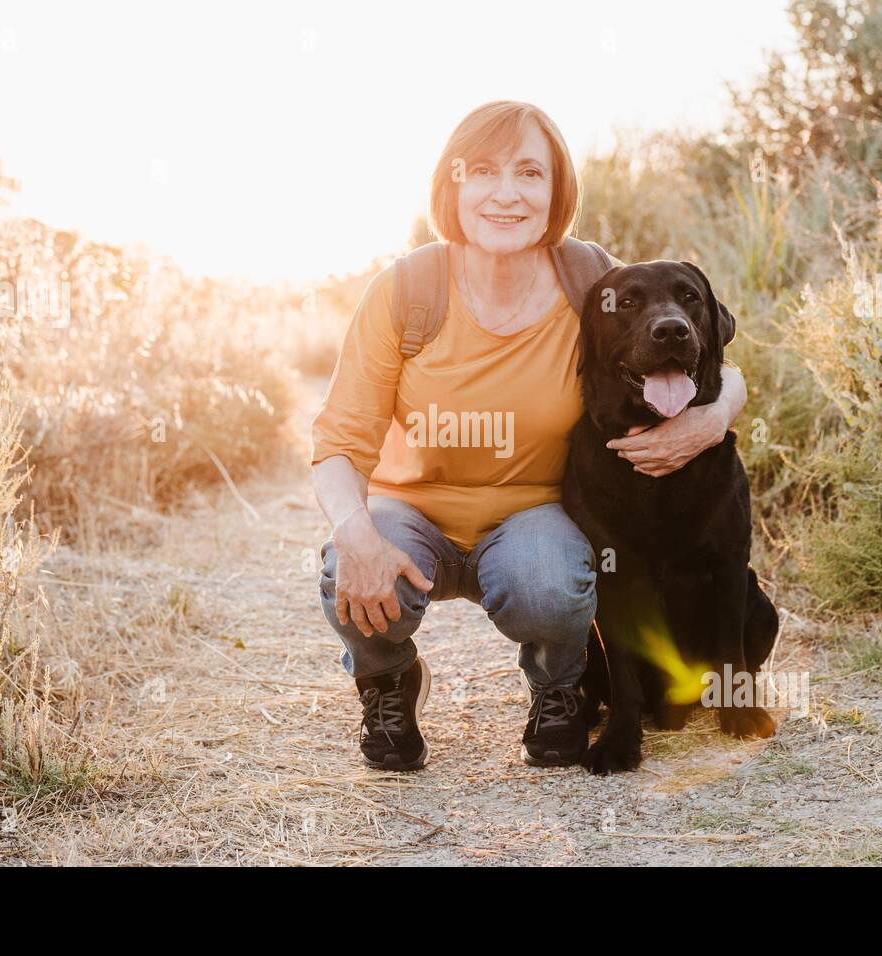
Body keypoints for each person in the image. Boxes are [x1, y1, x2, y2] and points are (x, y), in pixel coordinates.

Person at [311, 101, 748, 770]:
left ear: (556, 191)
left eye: (529, 173)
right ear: (450, 187)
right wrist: (353, 529)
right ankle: (388, 680)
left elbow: (704, 339)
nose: (507, 193)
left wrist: (712, 420)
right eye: (482, 171)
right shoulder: (406, 290)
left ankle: (559, 688)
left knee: (553, 581)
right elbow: (338, 441)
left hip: (532, 519)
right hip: (414, 514)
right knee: (352, 562)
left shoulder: (590, 281)